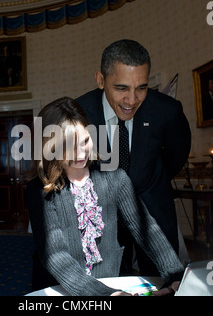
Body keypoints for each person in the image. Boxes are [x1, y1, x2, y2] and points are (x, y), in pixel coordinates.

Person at [26, 97, 184, 296]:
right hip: (59, 290)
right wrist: (104, 295)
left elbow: (147, 230)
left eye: (85, 140)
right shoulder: (40, 190)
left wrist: (176, 274)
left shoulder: (115, 178)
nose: (80, 153)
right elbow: (56, 256)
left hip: (110, 282)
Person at [76, 39, 191, 276]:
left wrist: (152, 180)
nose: (132, 100)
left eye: (141, 88)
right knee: (108, 283)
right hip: (102, 216)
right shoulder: (78, 113)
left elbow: (176, 155)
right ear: (100, 80)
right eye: (121, 88)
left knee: (164, 281)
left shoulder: (167, 111)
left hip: (153, 211)